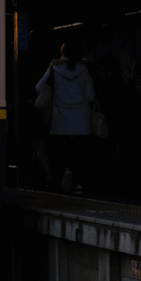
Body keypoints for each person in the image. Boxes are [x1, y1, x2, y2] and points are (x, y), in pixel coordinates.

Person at [35, 41, 96, 195]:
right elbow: (90, 96)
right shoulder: (84, 70)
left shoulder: (55, 69)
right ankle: (79, 183)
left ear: (62, 54)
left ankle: (58, 180)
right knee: (80, 153)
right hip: (81, 118)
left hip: (60, 117)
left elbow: (39, 87)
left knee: (60, 152)